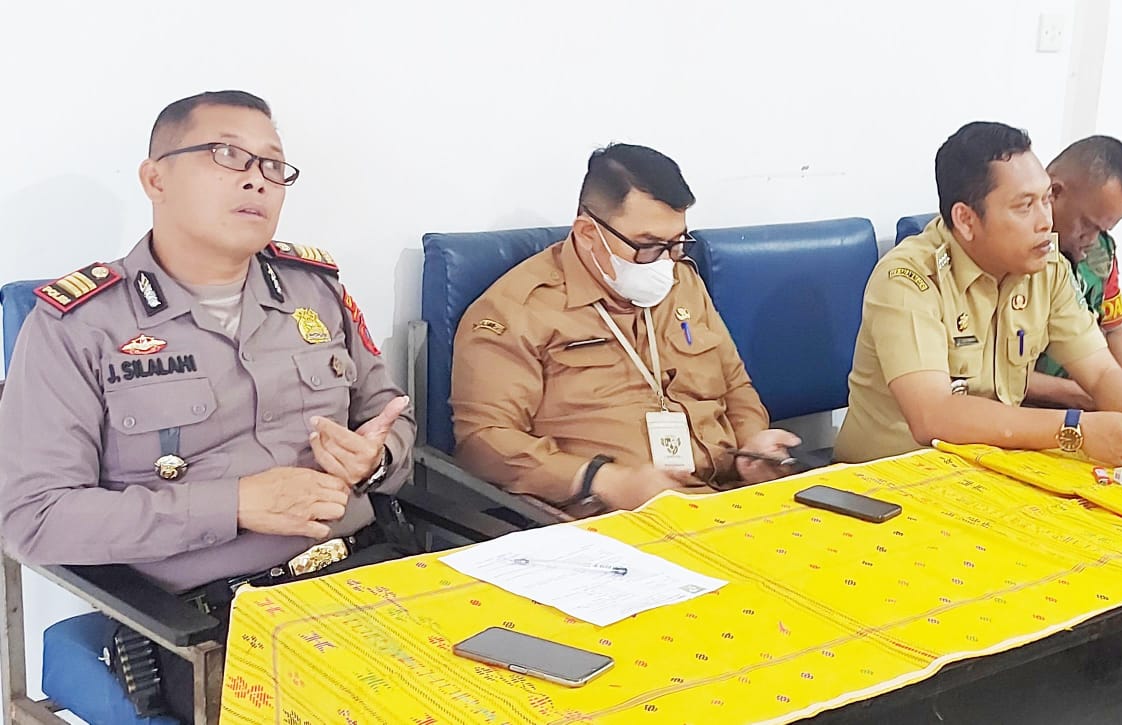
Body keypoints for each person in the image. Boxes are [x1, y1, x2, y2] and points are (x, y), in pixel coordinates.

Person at [0, 90, 415, 720]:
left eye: (272, 164)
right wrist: (235, 504)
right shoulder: (78, 327)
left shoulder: (315, 291)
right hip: (211, 622)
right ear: (156, 179)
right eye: (227, 155)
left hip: (372, 575)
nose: (256, 179)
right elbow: (35, 518)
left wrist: (374, 460)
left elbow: (389, 411)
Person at [451, 143, 800, 515]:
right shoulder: (517, 310)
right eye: (648, 246)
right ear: (588, 233)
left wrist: (752, 445)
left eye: (676, 243)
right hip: (613, 517)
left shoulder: (681, 281)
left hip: (727, 497)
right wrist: (604, 481)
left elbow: (735, 385)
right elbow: (483, 443)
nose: (666, 262)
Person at [834, 121, 1122, 465]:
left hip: (987, 469)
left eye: (1046, 200)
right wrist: (1076, 429)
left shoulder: (1047, 269)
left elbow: (1102, 374)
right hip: (883, 480)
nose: (1045, 221)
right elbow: (934, 414)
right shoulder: (909, 279)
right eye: (1025, 206)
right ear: (966, 220)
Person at [1028, 135, 1122, 409]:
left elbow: (1114, 331)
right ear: (1055, 192)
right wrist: (1089, 393)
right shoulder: (1015, 251)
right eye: (1088, 224)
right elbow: (993, 375)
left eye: (1103, 229)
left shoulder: (1100, 255)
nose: (1091, 239)